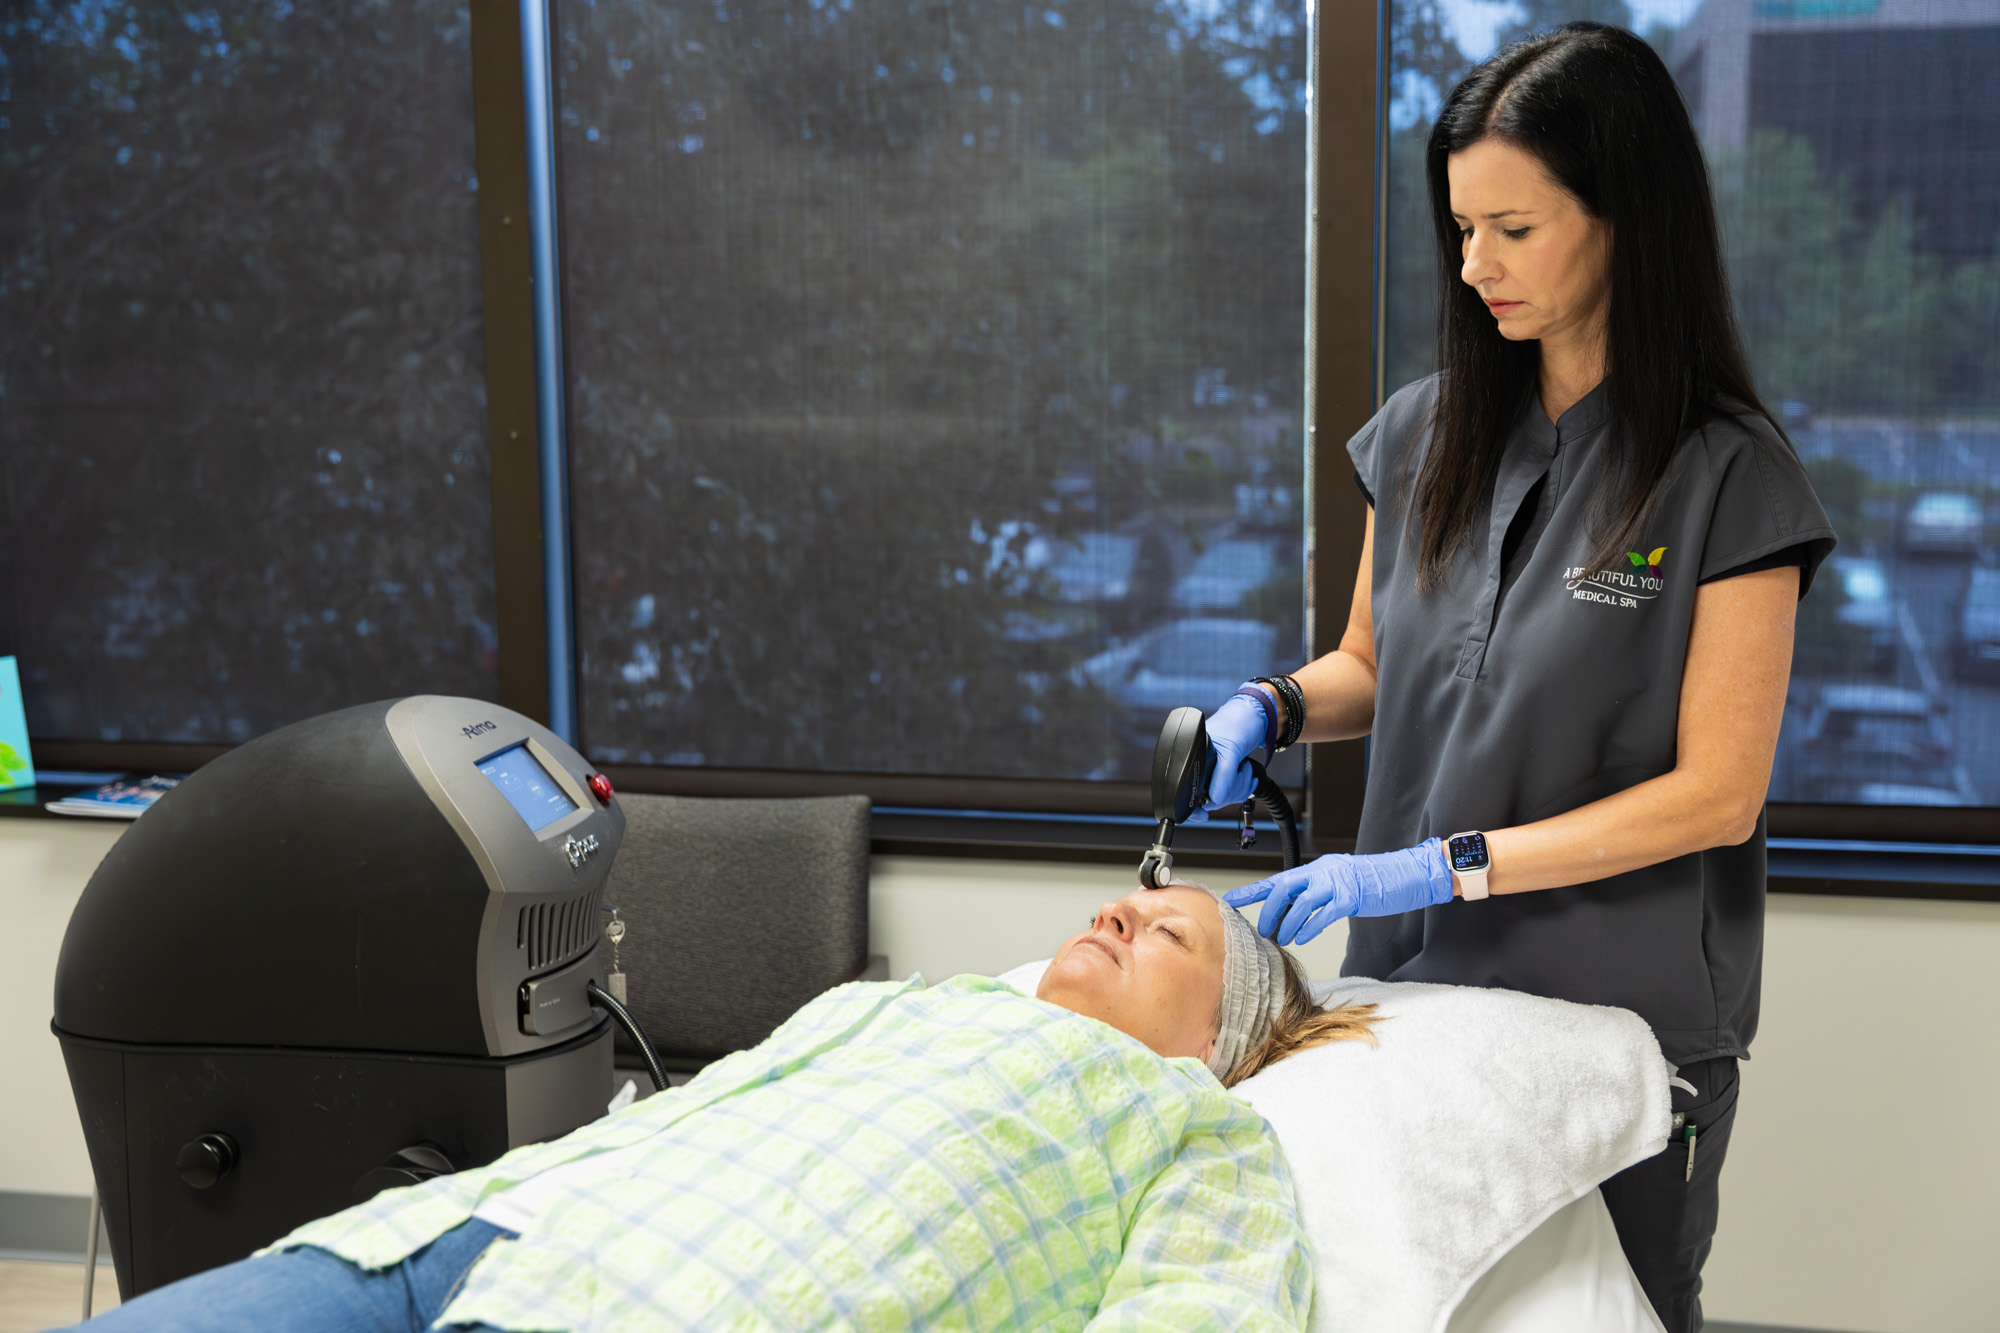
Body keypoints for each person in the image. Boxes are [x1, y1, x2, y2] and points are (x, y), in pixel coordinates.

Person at [1200, 24, 1834, 1333]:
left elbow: (1718, 795)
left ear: (1625, 221)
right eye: (1461, 230)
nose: (1475, 264)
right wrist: (1269, 705)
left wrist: (1443, 863)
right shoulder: (1433, 428)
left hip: (1619, 1024)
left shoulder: (1728, 477)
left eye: (1515, 229)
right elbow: (1371, 664)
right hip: (1406, 997)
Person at [64, 885, 1376, 1333]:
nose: (1117, 909)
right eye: (1133, 899)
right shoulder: (917, 1004)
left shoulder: (1198, 1130)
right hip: (478, 1239)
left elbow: (1197, 1318)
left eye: (1168, 934)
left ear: (1216, 1035)